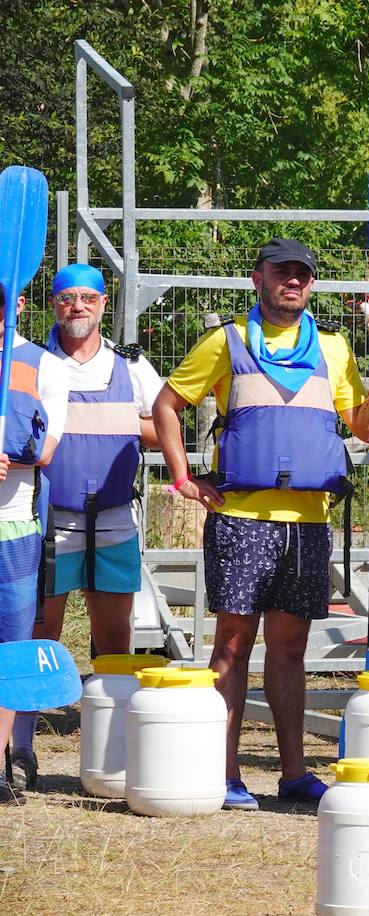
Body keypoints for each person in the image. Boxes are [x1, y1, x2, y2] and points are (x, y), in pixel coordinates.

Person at [152, 238, 369, 811]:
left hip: (307, 524)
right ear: (257, 279)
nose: (293, 281)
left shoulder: (335, 348)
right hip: (241, 518)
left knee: (289, 651)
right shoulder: (227, 341)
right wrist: (184, 478)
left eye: (302, 275)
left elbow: (364, 426)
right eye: (282, 272)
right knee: (232, 648)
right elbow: (167, 405)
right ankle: (224, 773)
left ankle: (294, 775)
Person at [8, 264, 163, 793]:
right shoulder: (31, 363)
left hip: (116, 521)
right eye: (67, 297)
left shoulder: (131, 368)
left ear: (103, 303)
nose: (78, 306)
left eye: (88, 298)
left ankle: (111, 751)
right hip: (49, 524)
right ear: (52, 304)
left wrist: (124, 425)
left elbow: (163, 425)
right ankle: (19, 749)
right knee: (38, 634)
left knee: (115, 640)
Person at [0, 291, 68, 805]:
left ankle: (4, 762)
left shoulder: (44, 364)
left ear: (20, 302)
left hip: (16, 530)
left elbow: (45, 449)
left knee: (12, 654)